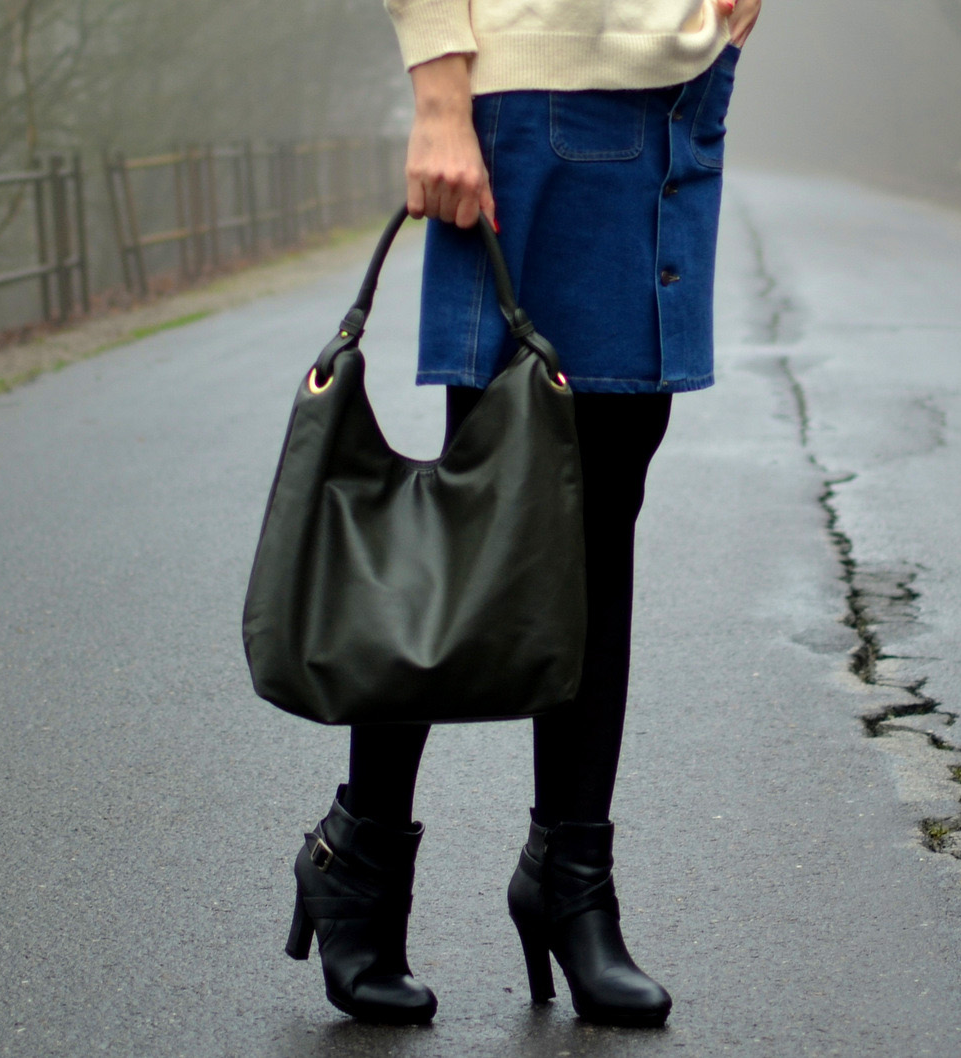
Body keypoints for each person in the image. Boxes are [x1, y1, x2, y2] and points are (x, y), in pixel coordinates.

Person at [284, 0, 761, 1027]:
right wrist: (439, 101)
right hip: (528, 97)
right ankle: (360, 856)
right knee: (485, 510)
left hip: (674, 93)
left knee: (603, 514)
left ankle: (569, 880)